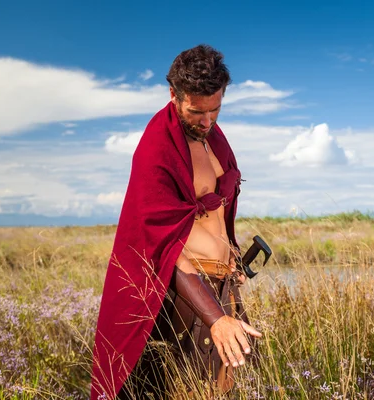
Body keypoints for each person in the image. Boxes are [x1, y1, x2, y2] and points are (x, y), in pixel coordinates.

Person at [90, 44, 262, 400]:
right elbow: (166, 245)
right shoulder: (156, 148)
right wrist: (216, 318)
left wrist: (231, 256)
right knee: (178, 389)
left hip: (222, 285)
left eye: (215, 109)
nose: (207, 120)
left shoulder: (213, 137)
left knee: (229, 390)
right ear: (173, 94)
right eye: (197, 111)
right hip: (182, 300)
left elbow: (213, 214)